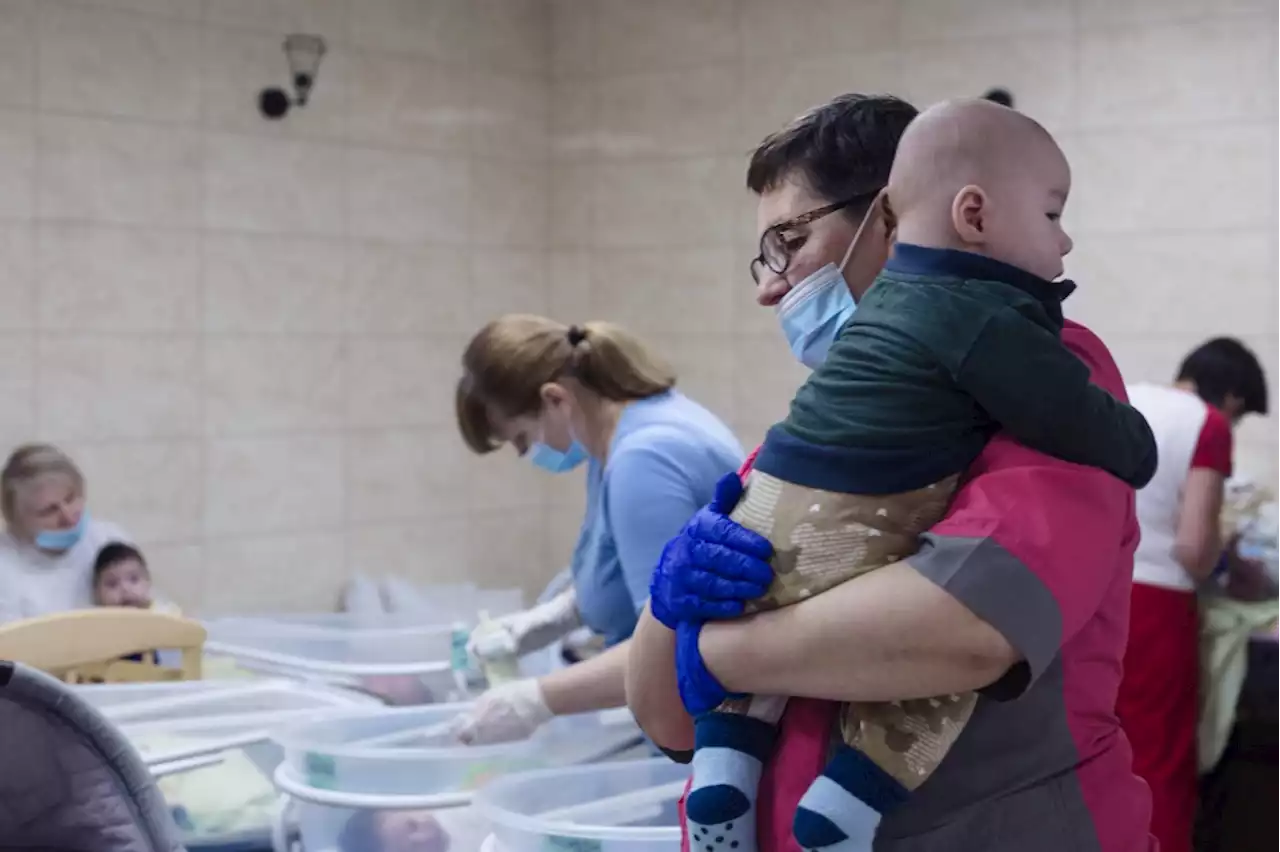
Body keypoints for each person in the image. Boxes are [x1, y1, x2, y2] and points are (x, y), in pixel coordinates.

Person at [627, 93, 1156, 852]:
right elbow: (662, 717)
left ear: (887, 218)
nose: (768, 286)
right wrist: (666, 602)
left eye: (790, 240)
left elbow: (965, 627)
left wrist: (704, 648)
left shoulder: (1047, 378)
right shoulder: (826, 428)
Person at [450, 315, 742, 744]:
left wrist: (537, 700)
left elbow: (674, 647)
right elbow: (638, 567)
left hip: (710, 733)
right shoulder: (615, 436)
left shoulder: (646, 460)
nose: (524, 454)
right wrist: (560, 615)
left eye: (520, 438)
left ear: (555, 399)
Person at [1118, 337, 1268, 852]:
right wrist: (1227, 562)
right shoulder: (1208, 423)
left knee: (1091, 748)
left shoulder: (1120, 398)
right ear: (1231, 400)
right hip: (1155, 610)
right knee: (1156, 757)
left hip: (1089, 594)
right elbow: (1192, 547)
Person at [0, 444, 132, 623]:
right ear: (17, 521)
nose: (69, 517)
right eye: (49, 510)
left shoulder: (108, 540)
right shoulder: (5, 567)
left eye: (70, 498)